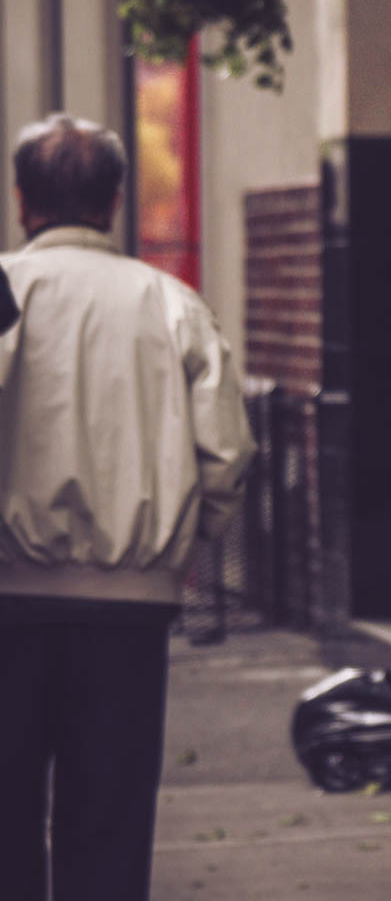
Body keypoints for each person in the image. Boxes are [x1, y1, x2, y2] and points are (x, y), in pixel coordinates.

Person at [0, 114, 255, 901]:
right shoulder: (170, 304)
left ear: (20, 200)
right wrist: (176, 547)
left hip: (8, 603)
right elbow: (228, 456)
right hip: (131, 611)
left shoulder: (5, 291)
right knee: (108, 823)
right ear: (115, 202)